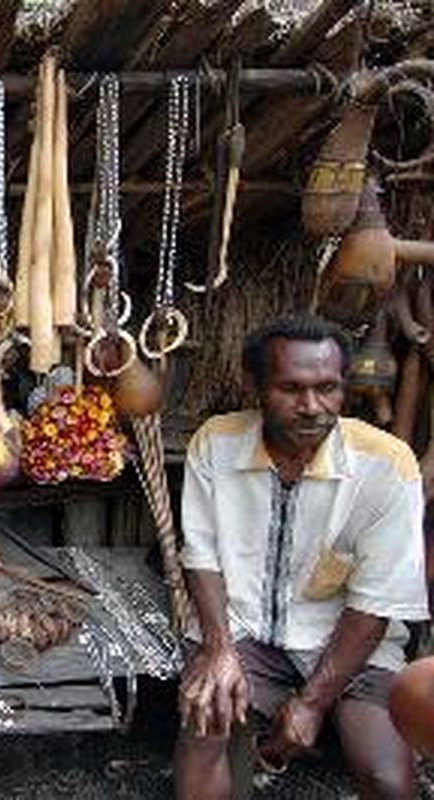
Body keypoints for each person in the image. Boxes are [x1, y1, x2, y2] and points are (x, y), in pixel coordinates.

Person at [174, 312, 429, 800]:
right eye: (291, 389)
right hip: (244, 631)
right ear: (255, 385)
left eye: (327, 388)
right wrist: (220, 649)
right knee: (205, 726)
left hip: (352, 643)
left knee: (386, 777)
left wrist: (313, 702)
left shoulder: (385, 464)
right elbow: (201, 556)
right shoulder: (217, 443)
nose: (312, 406)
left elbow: (376, 601)